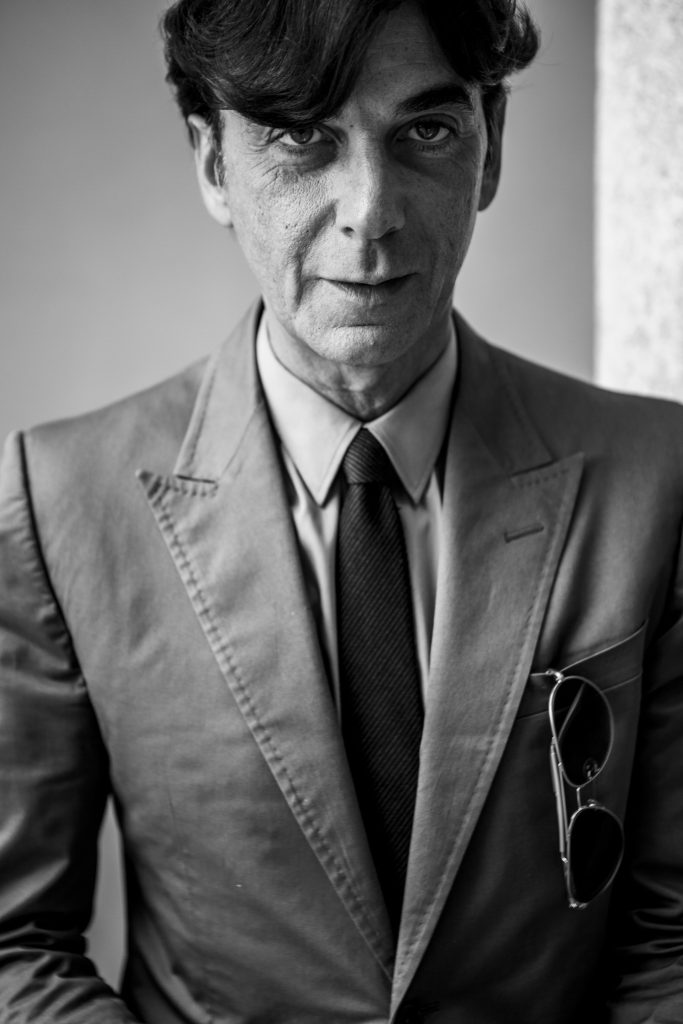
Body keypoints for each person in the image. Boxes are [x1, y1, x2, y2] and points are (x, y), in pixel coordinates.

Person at [1, 0, 682, 1021]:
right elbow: (17, 944)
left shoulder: (655, 475)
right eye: (297, 139)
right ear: (210, 162)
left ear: (489, 147)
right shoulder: (61, 502)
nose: (369, 208)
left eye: (425, 130)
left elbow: (670, 939)